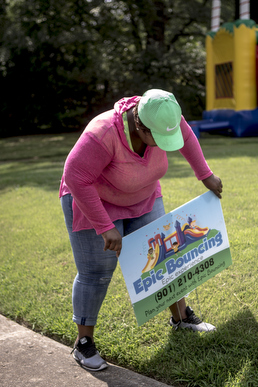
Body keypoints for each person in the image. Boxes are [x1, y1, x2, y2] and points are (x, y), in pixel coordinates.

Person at [59, 89, 223, 372]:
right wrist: (104, 226)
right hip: (93, 199)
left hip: (143, 196)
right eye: (158, 138)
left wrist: (205, 175)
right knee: (97, 271)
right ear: (139, 125)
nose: (164, 144)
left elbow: (187, 139)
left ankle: (181, 318)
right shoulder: (103, 132)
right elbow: (75, 176)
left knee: (165, 256)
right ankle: (83, 343)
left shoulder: (166, 114)